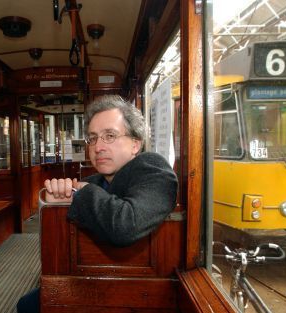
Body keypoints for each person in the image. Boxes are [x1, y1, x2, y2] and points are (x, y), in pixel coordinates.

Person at [17, 95, 178, 313]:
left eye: (109, 136)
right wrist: (56, 205)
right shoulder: (94, 181)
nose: (98, 147)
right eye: (92, 138)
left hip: (134, 291)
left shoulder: (152, 168)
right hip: (92, 276)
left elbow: (126, 224)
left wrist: (80, 194)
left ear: (135, 144)